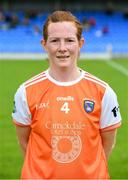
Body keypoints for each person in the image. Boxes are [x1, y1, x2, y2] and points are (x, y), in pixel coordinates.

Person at [12, 10, 121, 179]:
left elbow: (108, 143)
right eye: (55, 41)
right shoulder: (25, 92)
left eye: (69, 40)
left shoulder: (104, 92)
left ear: (80, 43)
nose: (62, 48)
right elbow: (24, 142)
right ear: (44, 44)